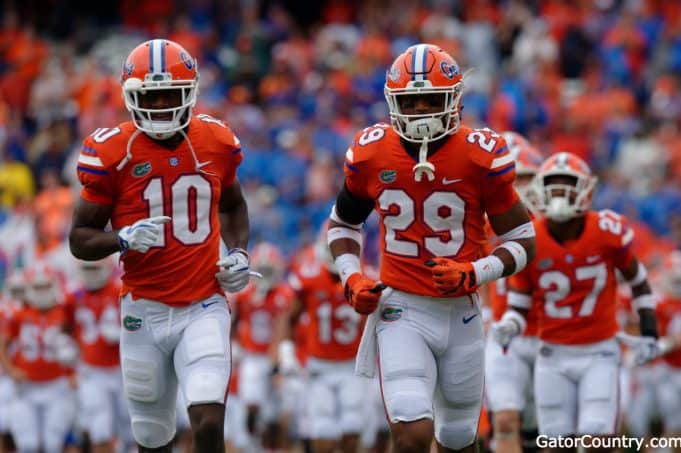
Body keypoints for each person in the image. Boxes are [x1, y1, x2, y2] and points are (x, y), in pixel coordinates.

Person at [327, 43, 536, 452]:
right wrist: (351, 276)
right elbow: (342, 224)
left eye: (431, 100)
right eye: (411, 101)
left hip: (462, 310)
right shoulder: (371, 154)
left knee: (459, 438)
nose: (421, 110)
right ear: (392, 103)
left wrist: (475, 272)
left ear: (454, 100)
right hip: (401, 307)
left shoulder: (479, 155)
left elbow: (523, 240)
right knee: (412, 432)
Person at [68, 39, 253, 453]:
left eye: (171, 94)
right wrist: (122, 239)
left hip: (203, 303)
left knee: (207, 421)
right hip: (143, 309)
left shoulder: (216, 140)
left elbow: (233, 205)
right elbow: (79, 239)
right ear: (131, 96)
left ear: (192, 93)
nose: (162, 105)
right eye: (151, 95)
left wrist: (238, 251)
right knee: (152, 436)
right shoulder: (113, 150)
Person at [492, 152, 659, 450]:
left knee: (595, 439)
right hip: (551, 354)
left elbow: (638, 278)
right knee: (554, 443)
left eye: (567, 184)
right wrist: (510, 324)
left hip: (599, 353)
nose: (560, 192)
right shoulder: (531, 239)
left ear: (586, 190)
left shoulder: (606, 231)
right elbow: (519, 303)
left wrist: (649, 329)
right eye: (553, 185)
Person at [276, 224, 366, 453]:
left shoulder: (367, 277)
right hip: (319, 366)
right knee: (323, 429)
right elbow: (289, 318)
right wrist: (286, 354)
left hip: (352, 366)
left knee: (353, 426)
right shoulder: (309, 277)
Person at [484, 132, 543, 453]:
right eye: (513, 178)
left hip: (552, 335)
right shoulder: (480, 223)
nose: (519, 187)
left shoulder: (556, 226)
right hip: (506, 334)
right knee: (504, 420)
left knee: (547, 431)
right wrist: (484, 314)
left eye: (526, 178)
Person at [0, 262, 78, 453]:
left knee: (53, 444)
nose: (42, 292)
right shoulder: (18, 313)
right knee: (28, 445)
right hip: (27, 387)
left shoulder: (64, 310)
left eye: (46, 286)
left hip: (57, 385)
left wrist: (75, 372)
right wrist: (11, 370)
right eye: (37, 287)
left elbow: (79, 340)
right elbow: (3, 344)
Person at [231, 242, 292, 449]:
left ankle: (268, 447)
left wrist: (287, 356)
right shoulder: (244, 294)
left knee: (275, 413)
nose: (265, 274)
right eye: (262, 269)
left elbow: (289, 326)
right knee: (251, 402)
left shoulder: (285, 294)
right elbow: (233, 320)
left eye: (268, 269)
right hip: (252, 356)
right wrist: (235, 345)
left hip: (276, 357)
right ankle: (252, 442)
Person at [67, 258, 131, 453]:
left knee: (130, 428)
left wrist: (124, 333)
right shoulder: (73, 295)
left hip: (122, 370)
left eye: (95, 267)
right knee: (99, 428)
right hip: (91, 371)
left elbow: (142, 326)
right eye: (87, 267)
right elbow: (64, 328)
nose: (91, 272)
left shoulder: (120, 290)